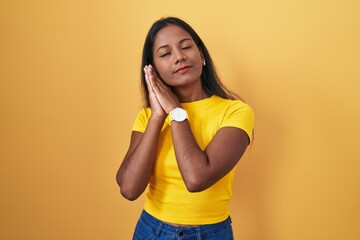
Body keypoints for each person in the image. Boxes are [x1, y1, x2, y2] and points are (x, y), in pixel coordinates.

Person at [116, 17, 255, 240]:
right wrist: (158, 117)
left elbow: (196, 178)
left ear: (201, 55)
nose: (179, 57)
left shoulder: (236, 112)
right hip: (151, 230)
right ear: (154, 69)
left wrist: (176, 112)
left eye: (186, 47)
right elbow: (129, 189)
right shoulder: (148, 118)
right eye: (165, 54)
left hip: (210, 234)